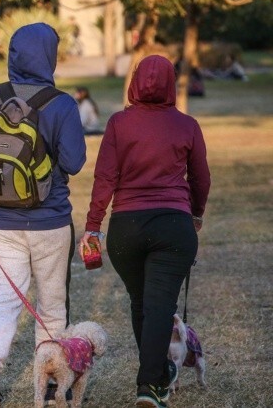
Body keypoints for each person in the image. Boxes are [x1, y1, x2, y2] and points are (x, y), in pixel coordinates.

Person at [0, 22, 86, 407]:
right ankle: (49, 388)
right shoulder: (61, 103)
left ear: (12, 54)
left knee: (3, 300)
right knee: (51, 303)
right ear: (50, 56)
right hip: (51, 219)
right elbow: (75, 163)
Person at [79, 55, 210, 408]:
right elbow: (200, 178)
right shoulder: (187, 125)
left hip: (126, 228)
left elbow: (105, 177)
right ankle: (149, 384)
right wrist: (195, 214)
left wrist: (93, 226)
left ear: (135, 82)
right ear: (171, 82)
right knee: (159, 306)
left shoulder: (119, 123)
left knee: (143, 303)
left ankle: (158, 373)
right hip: (173, 226)